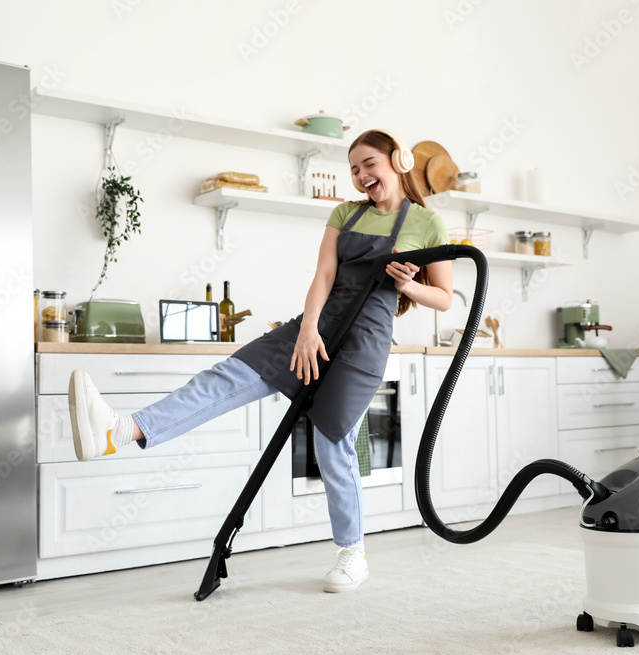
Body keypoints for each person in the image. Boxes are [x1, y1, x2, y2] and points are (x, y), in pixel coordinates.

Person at [68, 129, 453, 593]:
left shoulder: (428, 224)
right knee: (228, 375)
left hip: (366, 340)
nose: (361, 175)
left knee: (333, 442)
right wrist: (308, 329)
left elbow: (445, 298)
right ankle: (118, 432)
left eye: (369, 163)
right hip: (317, 325)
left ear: (398, 160)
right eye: (353, 168)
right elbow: (324, 275)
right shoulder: (344, 213)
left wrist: (407, 285)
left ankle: (352, 554)